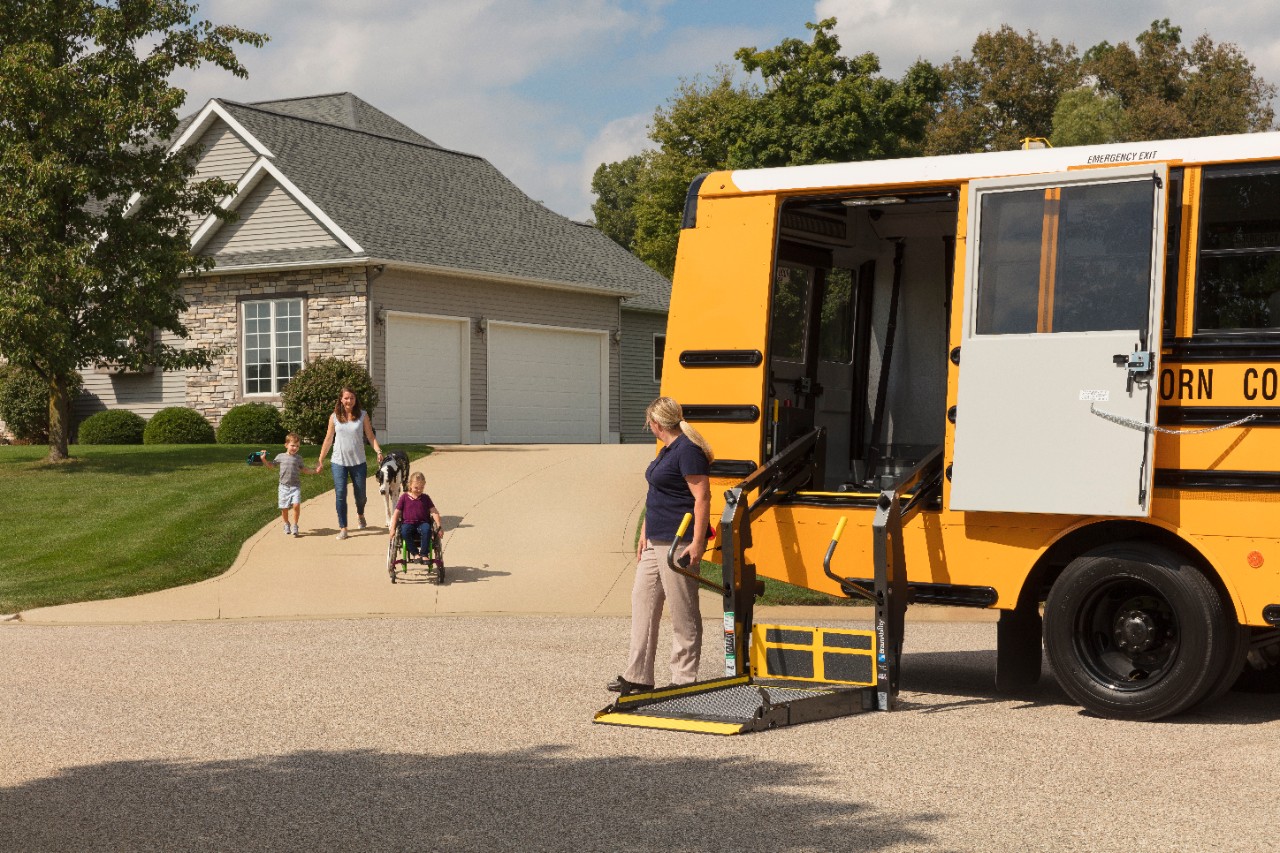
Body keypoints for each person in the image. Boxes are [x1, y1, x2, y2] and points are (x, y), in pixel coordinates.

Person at [608, 396, 714, 694]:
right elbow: (655, 493)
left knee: (683, 613)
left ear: (656, 423)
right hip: (655, 540)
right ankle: (639, 676)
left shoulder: (688, 452)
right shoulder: (667, 451)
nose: (648, 427)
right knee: (643, 604)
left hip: (678, 542)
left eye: (648, 422)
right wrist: (644, 530)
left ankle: (683, 681)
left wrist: (697, 542)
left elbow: (702, 498)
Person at [314, 386, 384, 540]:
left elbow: (370, 436)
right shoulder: (334, 417)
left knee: (360, 496)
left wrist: (378, 451)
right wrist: (320, 459)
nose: (349, 401)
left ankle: (360, 514)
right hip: (338, 462)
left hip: (358, 462)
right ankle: (343, 528)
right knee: (340, 494)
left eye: (352, 398)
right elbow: (328, 438)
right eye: (346, 398)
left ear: (355, 399)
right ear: (341, 399)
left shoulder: (363, 415)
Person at [259, 433, 309, 537]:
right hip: (283, 487)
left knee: (296, 505)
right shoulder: (280, 457)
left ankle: (295, 525)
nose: (295, 448)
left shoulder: (298, 458)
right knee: (284, 508)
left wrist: (314, 471)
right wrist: (263, 459)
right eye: (292, 445)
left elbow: (303, 469)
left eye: (297, 446)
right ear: (286, 445)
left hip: (295, 486)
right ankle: (286, 523)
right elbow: (271, 466)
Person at [390, 471, 443, 562]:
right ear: (410, 485)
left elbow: (434, 512)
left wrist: (439, 526)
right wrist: (392, 528)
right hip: (408, 523)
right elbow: (396, 513)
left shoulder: (426, 498)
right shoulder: (404, 497)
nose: (419, 490)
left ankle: (424, 554)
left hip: (423, 523)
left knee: (427, 529)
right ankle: (415, 553)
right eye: (416, 488)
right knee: (404, 531)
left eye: (421, 488)